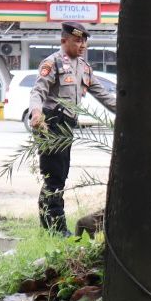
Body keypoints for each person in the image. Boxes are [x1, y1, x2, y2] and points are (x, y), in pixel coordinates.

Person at [29, 22, 117, 235]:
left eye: (84, 41)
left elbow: (104, 95)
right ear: (64, 41)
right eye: (77, 41)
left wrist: (128, 111)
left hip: (67, 126)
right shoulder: (53, 62)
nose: (82, 45)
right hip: (51, 124)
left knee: (60, 175)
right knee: (54, 176)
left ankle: (50, 226)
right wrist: (36, 113)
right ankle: (56, 229)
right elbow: (38, 91)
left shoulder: (84, 67)